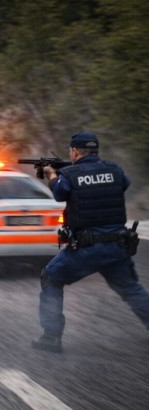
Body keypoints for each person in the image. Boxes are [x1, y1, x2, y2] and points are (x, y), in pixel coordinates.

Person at [32, 131, 149, 352]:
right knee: (130, 288)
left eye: (71, 150)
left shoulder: (69, 174)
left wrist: (51, 174)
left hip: (87, 247)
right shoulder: (115, 170)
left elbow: (59, 193)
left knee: (51, 277)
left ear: (75, 151)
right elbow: (123, 184)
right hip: (118, 244)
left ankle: (51, 338)